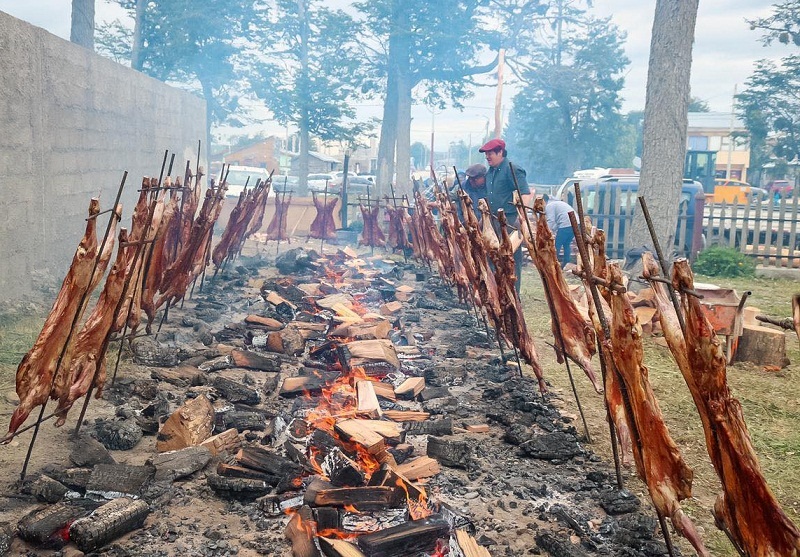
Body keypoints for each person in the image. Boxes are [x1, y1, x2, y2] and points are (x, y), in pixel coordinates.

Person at [478, 138, 531, 291]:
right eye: (486, 154)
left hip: (509, 222)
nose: (487, 157)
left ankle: (514, 295)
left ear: (500, 152)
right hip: (493, 222)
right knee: (493, 257)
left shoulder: (512, 169)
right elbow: (490, 197)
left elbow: (525, 194)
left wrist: (520, 218)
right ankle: (497, 292)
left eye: (490, 154)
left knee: (510, 260)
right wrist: (483, 219)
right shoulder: (490, 173)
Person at [542, 194, 575, 268]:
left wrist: (546, 232)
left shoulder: (549, 206)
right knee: (566, 243)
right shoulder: (556, 203)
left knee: (557, 244)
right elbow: (557, 221)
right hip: (575, 223)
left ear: (543, 201)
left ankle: (553, 264)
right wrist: (552, 230)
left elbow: (551, 220)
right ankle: (566, 261)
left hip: (566, 224)